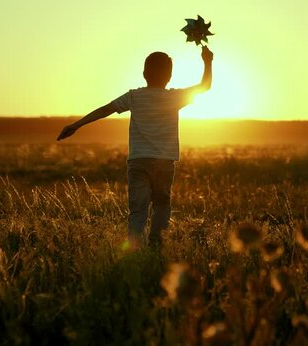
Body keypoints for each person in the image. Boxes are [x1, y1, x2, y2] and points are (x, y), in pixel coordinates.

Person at [57, 46, 214, 247]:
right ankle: (157, 244)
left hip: (138, 161)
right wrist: (207, 61)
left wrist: (76, 125)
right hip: (165, 162)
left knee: (138, 210)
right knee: (162, 204)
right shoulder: (174, 97)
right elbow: (205, 86)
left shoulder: (134, 96)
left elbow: (106, 110)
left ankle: (132, 249)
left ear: (144, 74)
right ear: (170, 76)